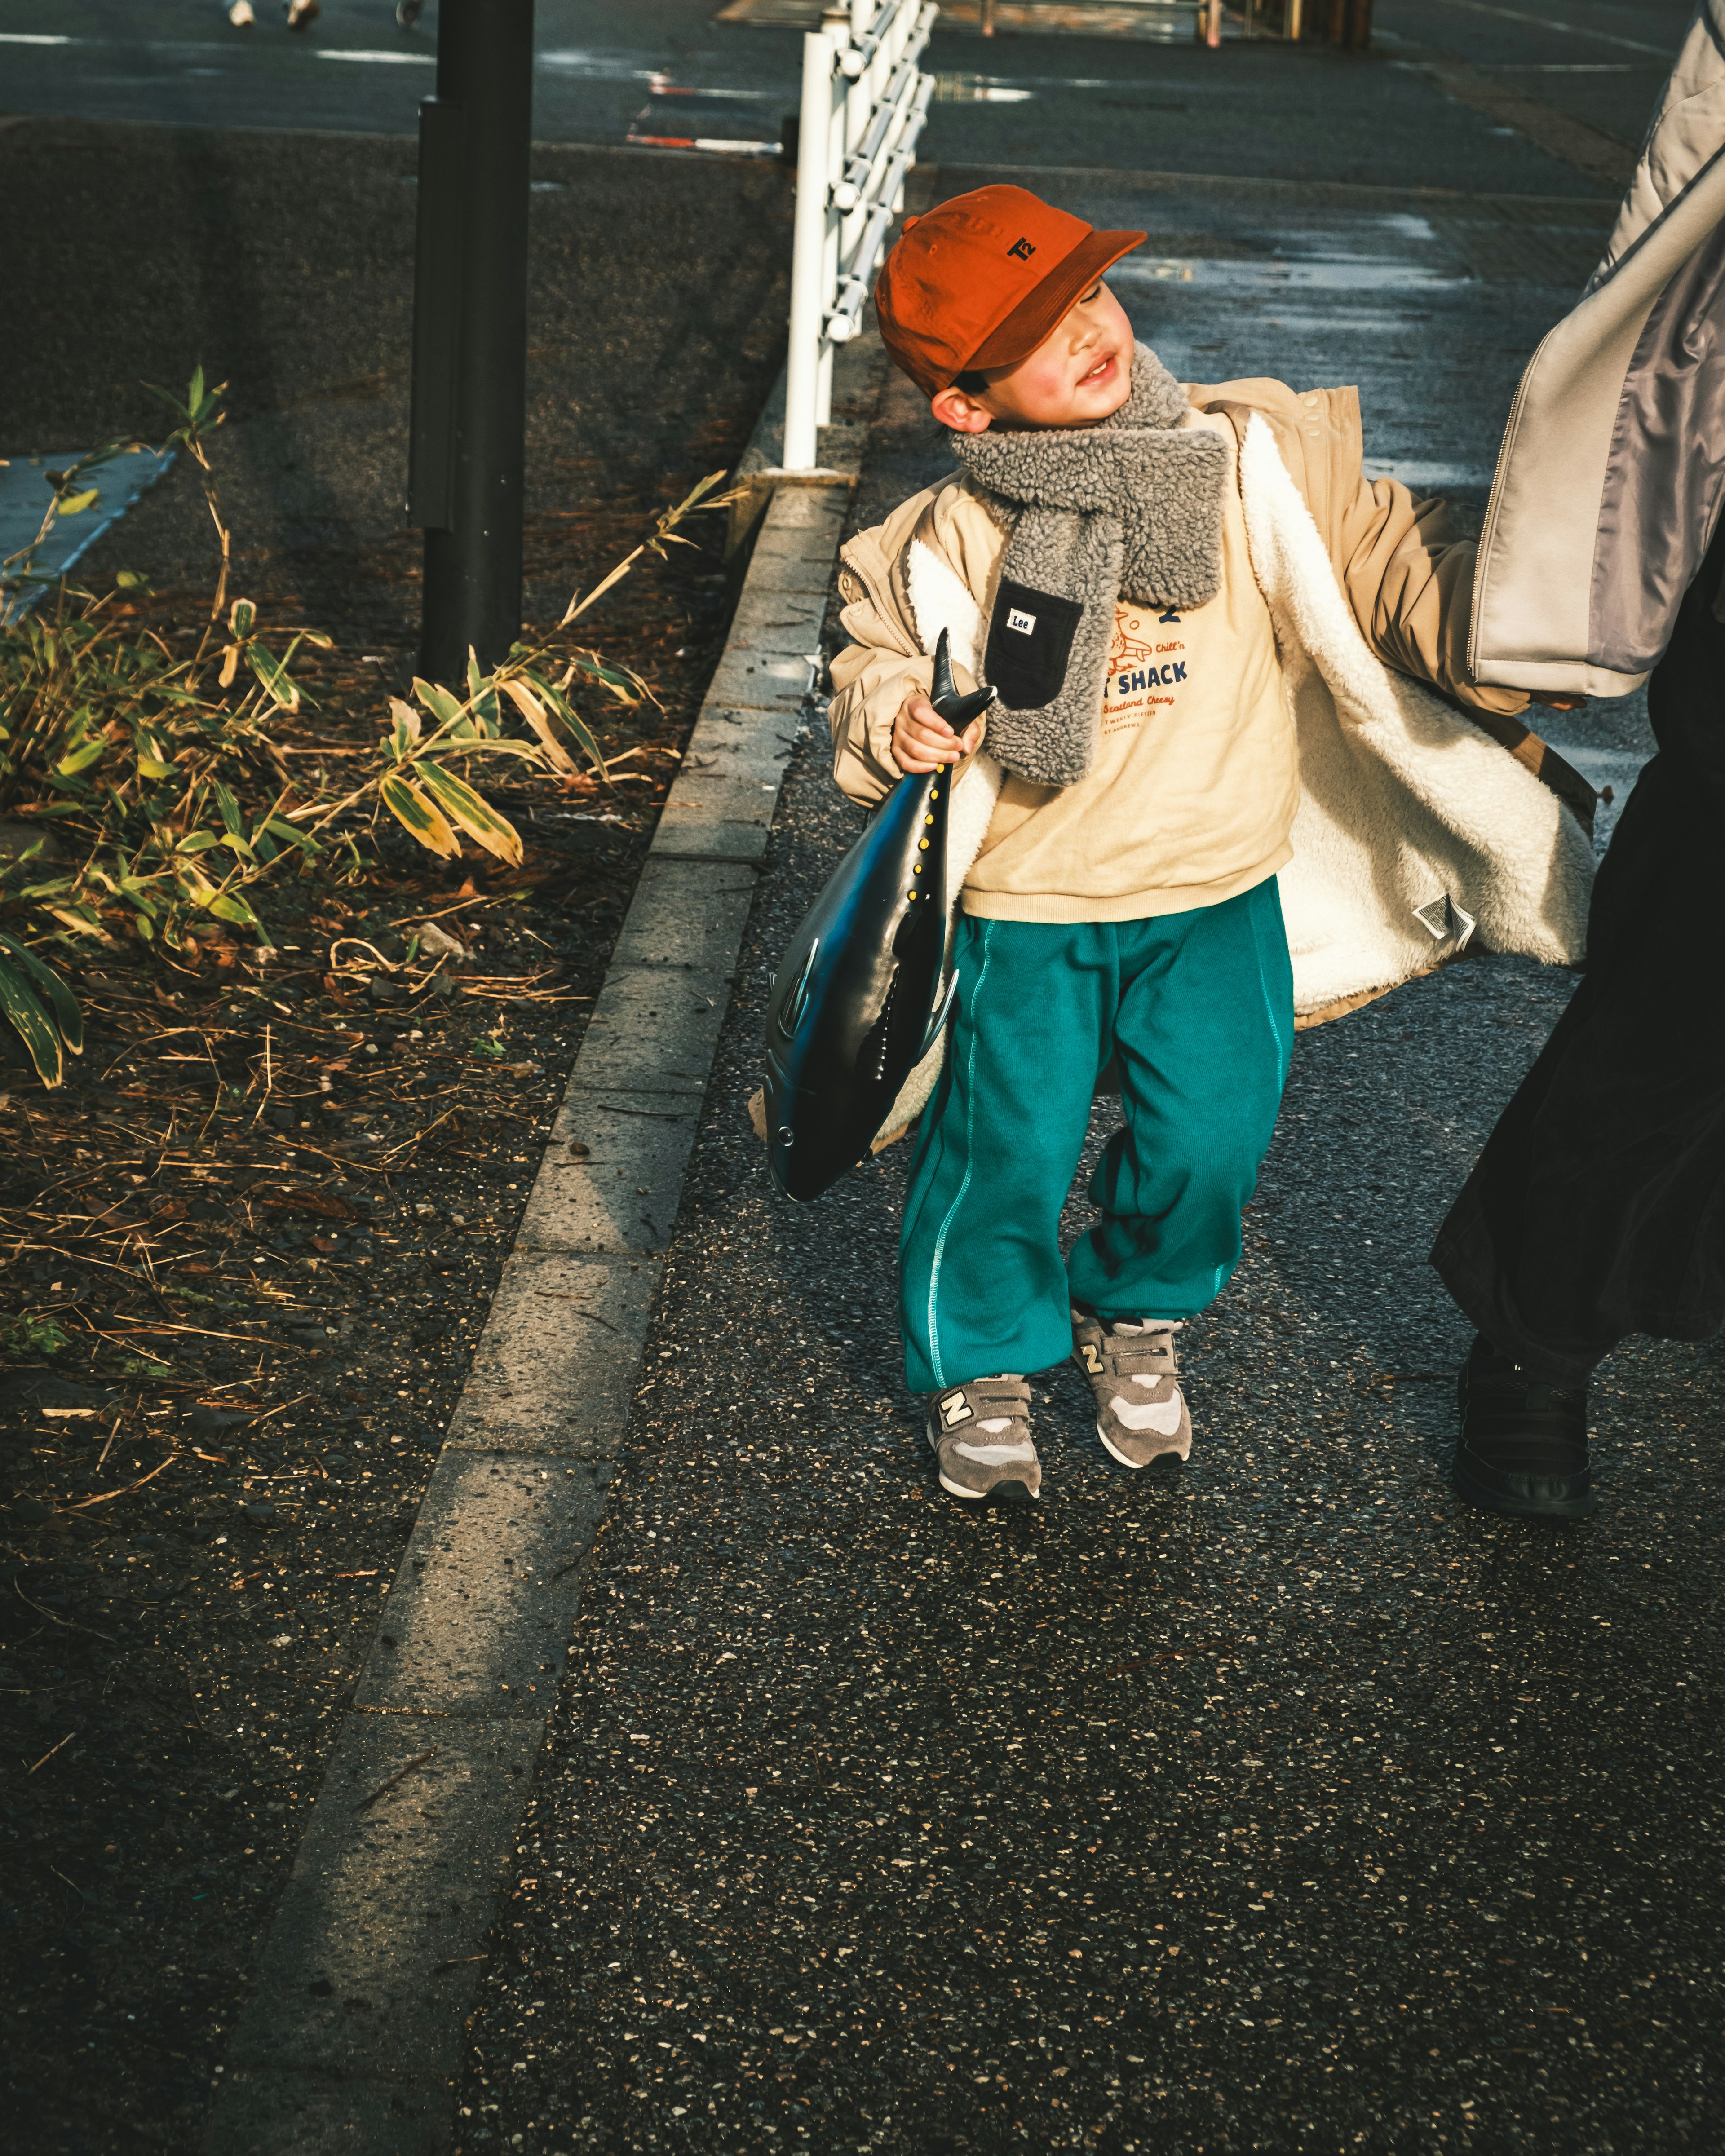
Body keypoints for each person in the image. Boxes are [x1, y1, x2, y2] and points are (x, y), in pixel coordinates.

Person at [824, 184, 1591, 1505]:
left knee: (1209, 1144)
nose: (1089, 328)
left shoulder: (1242, 465)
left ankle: (1138, 1314)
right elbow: (875, 649)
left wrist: (1520, 631)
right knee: (999, 1152)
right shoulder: (949, 535)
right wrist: (891, 710)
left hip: (1219, 893)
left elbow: (1387, 560)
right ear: (966, 406)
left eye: (1088, 294)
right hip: (1029, 908)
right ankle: (986, 1362)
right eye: (1040, 329)